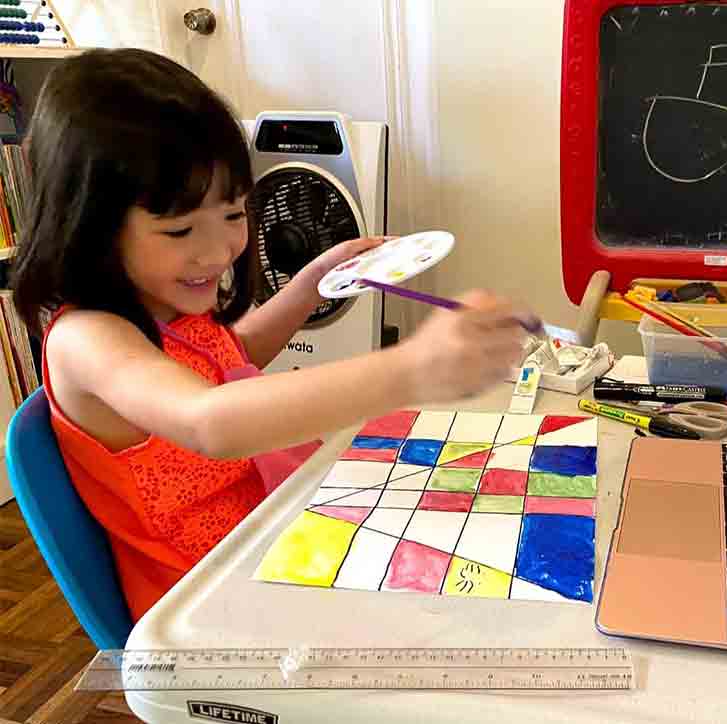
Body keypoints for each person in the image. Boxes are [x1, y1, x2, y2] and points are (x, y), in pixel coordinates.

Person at [11, 49, 529, 620]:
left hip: (271, 537)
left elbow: (231, 358)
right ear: (87, 224)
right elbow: (209, 419)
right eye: (180, 230)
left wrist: (311, 284)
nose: (218, 251)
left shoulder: (165, 304)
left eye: (234, 215)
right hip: (204, 602)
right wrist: (411, 369)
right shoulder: (87, 339)